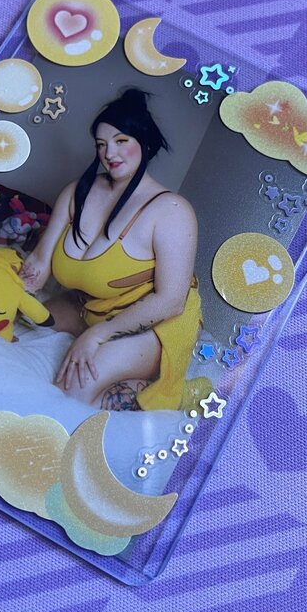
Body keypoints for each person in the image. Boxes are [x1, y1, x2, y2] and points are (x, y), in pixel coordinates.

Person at [19, 88, 201, 410]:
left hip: (158, 322)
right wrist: (12, 286)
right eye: (101, 144)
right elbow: (40, 260)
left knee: (70, 391)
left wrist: (98, 335)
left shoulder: (171, 211)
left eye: (121, 141)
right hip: (91, 306)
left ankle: (170, 392)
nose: (109, 153)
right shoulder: (78, 192)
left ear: (144, 143)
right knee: (17, 326)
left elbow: (171, 301)